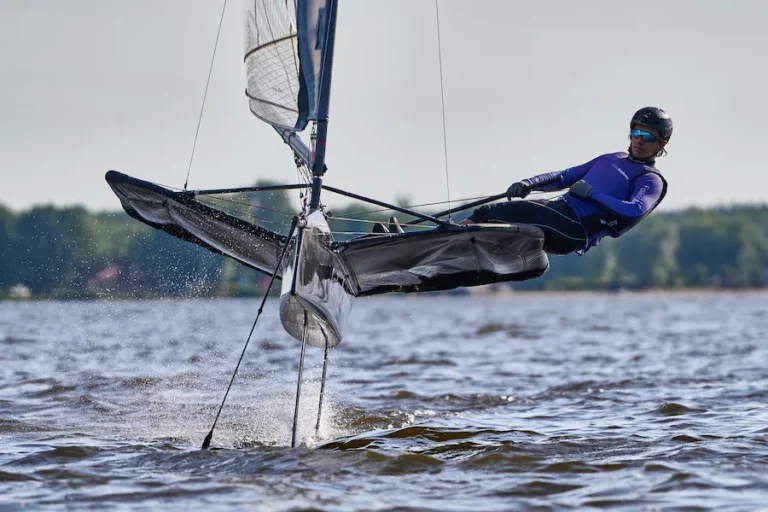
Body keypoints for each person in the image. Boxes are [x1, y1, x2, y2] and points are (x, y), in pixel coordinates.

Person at [459, 107, 671, 255]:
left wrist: (591, 193)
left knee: (486, 213)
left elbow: (634, 211)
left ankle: (452, 240)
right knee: (502, 225)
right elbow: (565, 176)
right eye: (636, 132)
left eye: (648, 136)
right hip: (558, 212)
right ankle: (471, 252)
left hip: (574, 228)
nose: (639, 140)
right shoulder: (611, 158)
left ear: (662, 143)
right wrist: (527, 183)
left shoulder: (651, 179)